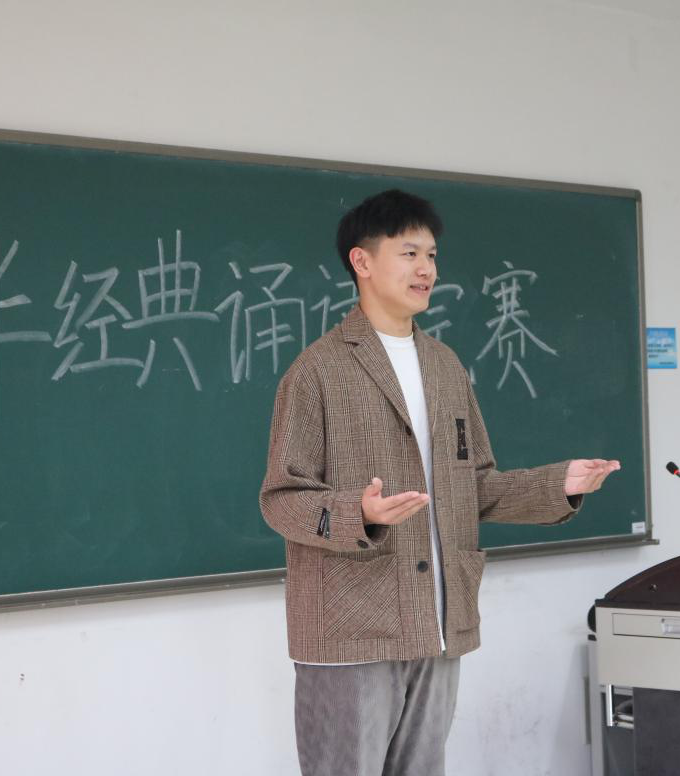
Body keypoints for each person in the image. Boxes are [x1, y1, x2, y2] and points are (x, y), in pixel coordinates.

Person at [259, 188, 620, 776]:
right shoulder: (318, 370)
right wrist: (358, 514)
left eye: (431, 255)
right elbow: (281, 500)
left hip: (439, 623)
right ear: (362, 261)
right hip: (351, 627)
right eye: (409, 253)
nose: (426, 269)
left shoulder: (445, 367)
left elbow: (473, 487)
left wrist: (559, 485)